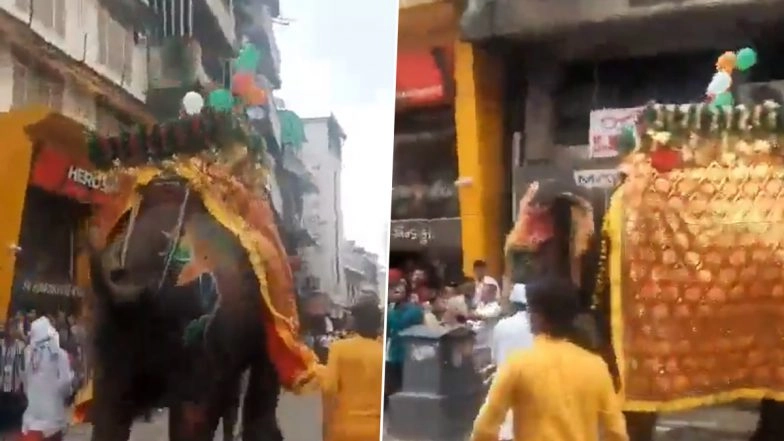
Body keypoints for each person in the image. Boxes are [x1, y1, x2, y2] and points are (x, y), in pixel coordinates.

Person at [470, 277, 628, 441]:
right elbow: (616, 432)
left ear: (539, 317)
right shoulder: (596, 367)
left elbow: (484, 428)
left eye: (531, 311)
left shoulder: (518, 364)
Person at [320, 298, 383, 441]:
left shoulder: (339, 348)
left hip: (345, 427)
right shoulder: (381, 351)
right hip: (375, 429)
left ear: (356, 321)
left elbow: (329, 387)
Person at [489, 284, 535, 441]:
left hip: (504, 389)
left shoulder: (501, 326)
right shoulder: (538, 328)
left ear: (513, 303)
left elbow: (494, 358)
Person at [20, 316, 75, 441]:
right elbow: (66, 383)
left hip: (32, 420)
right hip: (53, 421)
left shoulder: (28, 354)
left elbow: (25, 384)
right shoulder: (60, 354)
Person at [385, 273, 423, 408]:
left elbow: (399, 325)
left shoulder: (414, 310)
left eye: (400, 286)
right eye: (392, 287)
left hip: (407, 356)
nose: (396, 290)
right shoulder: (390, 309)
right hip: (391, 355)